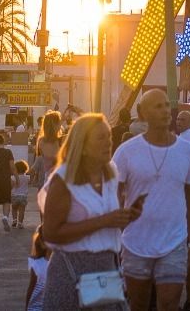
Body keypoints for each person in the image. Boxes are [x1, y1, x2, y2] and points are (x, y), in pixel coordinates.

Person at [112, 90, 190, 311]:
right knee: (139, 304)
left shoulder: (186, 150)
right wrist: (113, 236)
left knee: (169, 304)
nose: (165, 111)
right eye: (157, 106)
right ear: (142, 113)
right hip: (135, 243)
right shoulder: (126, 152)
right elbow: (113, 194)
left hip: (174, 242)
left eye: (166, 105)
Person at [39, 112, 132, 311]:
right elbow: (51, 233)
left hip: (107, 269)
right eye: (100, 138)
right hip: (71, 271)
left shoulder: (111, 173)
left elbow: (111, 218)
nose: (108, 142)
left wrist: (125, 218)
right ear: (83, 145)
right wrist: (103, 221)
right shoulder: (63, 179)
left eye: (109, 136)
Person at [35, 111, 64, 192]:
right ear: (55, 124)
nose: (61, 125)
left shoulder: (41, 141)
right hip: (60, 179)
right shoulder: (62, 140)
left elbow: (43, 158)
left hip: (48, 178)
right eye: (59, 122)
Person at [26, 227, 50, 311]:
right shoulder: (37, 264)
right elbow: (31, 287)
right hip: (36, 307)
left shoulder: (61, 263)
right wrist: (27, 307)